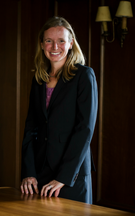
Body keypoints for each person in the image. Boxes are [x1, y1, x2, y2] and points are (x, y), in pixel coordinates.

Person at [20, 16, 98, 204]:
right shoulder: (38, 79)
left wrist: (64, 177)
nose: (55, 47)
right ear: (42, 44)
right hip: (40, 175)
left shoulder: (84, 76)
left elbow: (85, 129)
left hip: (72, 174)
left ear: (70, 44)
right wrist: (29, 172)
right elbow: (31, 128)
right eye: (49, 41)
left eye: (61, 41)